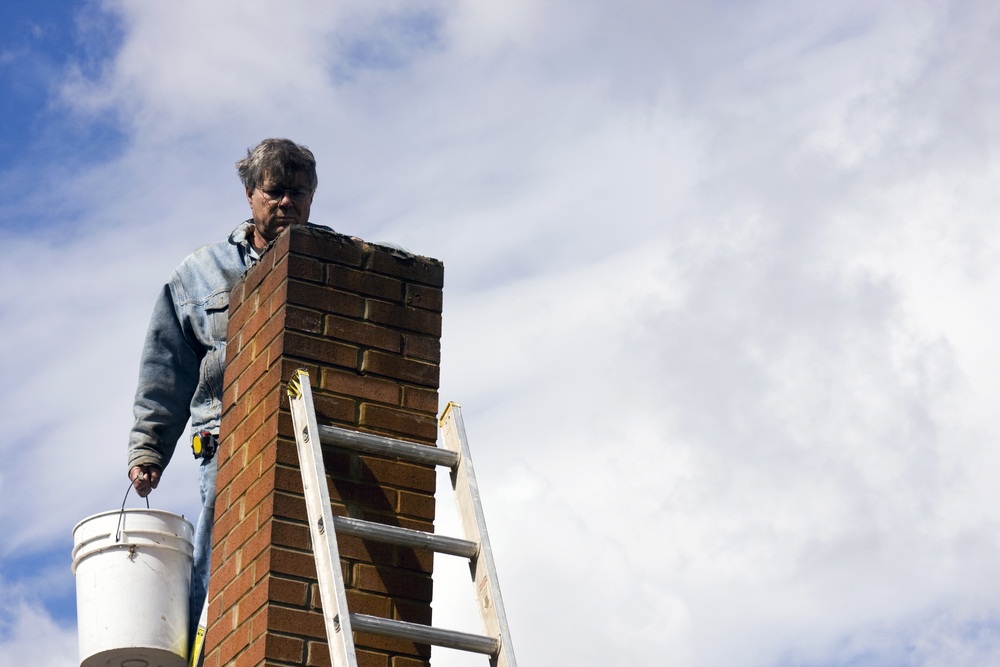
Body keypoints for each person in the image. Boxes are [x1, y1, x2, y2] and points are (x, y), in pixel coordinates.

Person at [126, 138, 318, 643]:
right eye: (275, 192)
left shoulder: (327, 266)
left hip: (308, 428)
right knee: (223, 553)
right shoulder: (201, 275)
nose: (286, 203)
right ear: (251, 195)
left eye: (298, 192)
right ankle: (203, 648)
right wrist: (149, 449)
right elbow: (165, 369)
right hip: (225, 437)